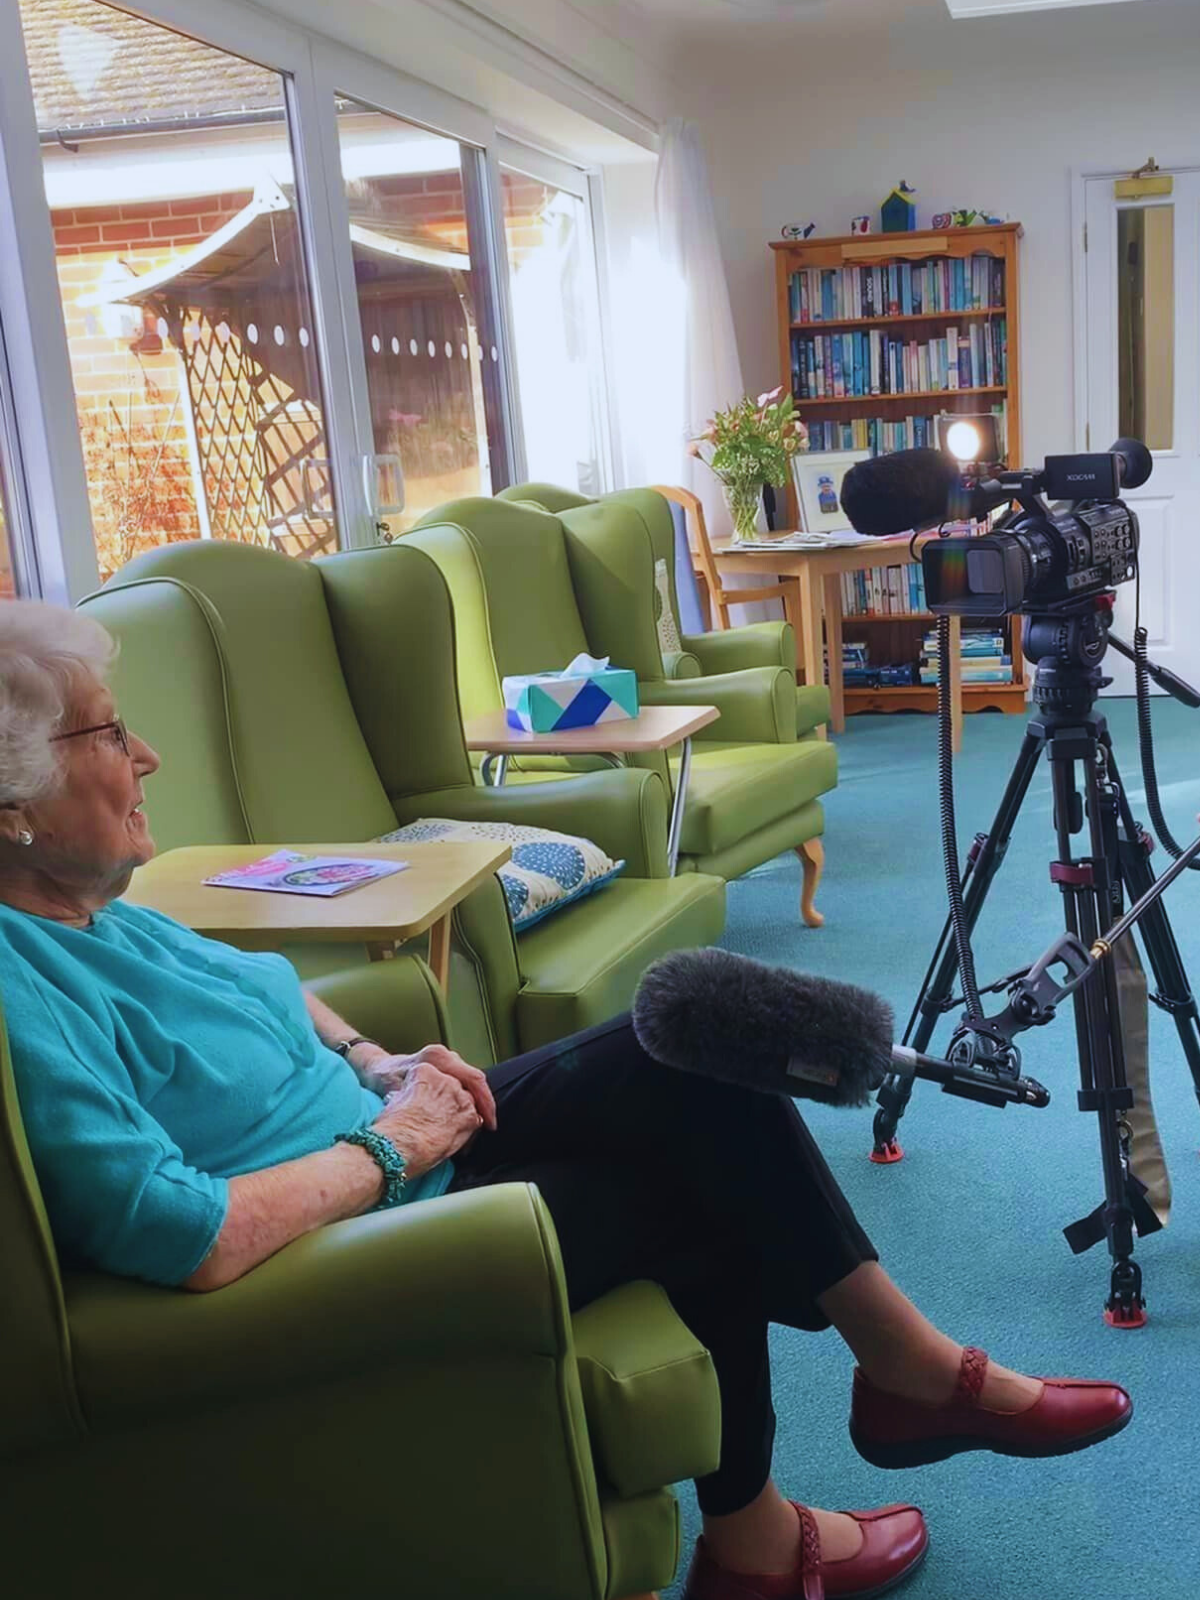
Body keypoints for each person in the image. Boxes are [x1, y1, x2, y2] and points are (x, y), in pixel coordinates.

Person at [0, 600, 1132, 1600]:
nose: (146, 755)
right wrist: (393, 1147)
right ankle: (846, 1446)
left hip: (391, 1135)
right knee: (700, 1179)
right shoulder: (15, 979)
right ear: (13, 800)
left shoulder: (98, 909)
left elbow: (275, 990)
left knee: (688, 1040)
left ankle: (863, 1423)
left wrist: (379, 1064)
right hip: (351, 1228)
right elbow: (179, 1231)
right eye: (108, 732)